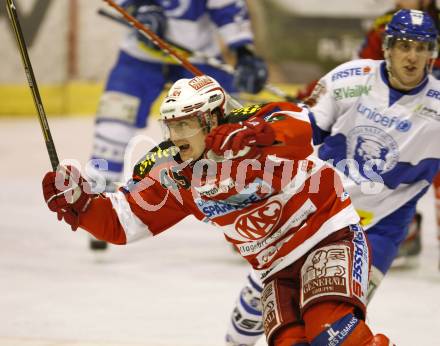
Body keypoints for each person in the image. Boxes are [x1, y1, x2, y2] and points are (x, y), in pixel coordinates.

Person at [42, 75, 391, 345]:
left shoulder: (257, 120)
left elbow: (301, 131)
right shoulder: (173, 172)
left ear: (211, 118)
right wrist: (83, 205)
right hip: (274, 267)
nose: (177, 135)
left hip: (326, 236)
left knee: (333, 333)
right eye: (172, 125)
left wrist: (256, 133)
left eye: (186, 123)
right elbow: (122, 223)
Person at [225, 9, 440, 346]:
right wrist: (264, 132)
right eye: (403, 46)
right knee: (260, 307)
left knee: (334, 332)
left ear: (433, 54)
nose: (412, 56)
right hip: (315, 212)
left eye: (421, 47)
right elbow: (302, 129)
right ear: (387, 47)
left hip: (377, 230)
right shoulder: (348, 79)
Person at [88, 0, 268, 250]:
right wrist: (139, 7)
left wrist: (243, 51)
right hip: (138, 55)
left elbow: (226, 6)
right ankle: (98, 204)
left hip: (194, 53)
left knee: (224, 129)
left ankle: (243, 212)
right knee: (114, 123)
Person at [357, 0, 440, 265]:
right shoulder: (386, 26)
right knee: (378, 159)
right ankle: (404, 229)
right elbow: (362, 72)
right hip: (401, 121)